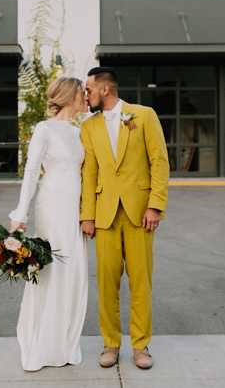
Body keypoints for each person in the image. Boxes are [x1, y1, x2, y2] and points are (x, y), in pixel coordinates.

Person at [80, 66, 169, 370]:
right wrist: (87, 216)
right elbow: (89, 173)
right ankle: (111, 343)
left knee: (141, 283)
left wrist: (155, 205)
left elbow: (159, 162)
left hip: (139, 213)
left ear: (105, 89)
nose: (85, 95)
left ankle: (141, 346)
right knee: (106, 283)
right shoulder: (88, 126)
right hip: (104, 215)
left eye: (88, 90)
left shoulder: (142, 115)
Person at [8, 77, 89, 371]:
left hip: (75, 213)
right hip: (52, 209)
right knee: (51, 274)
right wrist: (20, 214)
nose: (86, 97)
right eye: (83, 93)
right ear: (70, 96)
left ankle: (66, 344)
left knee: (74, 274)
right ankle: (43, 345)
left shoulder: (80, 131)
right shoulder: (44, 128)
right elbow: (31, 172)